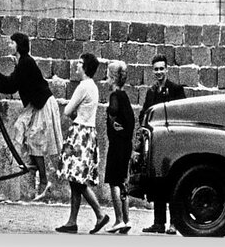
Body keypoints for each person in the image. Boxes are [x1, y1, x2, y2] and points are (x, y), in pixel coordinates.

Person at [0, 32, 63, 201]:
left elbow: (12, 83)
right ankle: (37, 172)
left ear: (18, 45)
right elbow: (13, 86)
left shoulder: (26, 62)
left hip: (42, 103)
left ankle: (43, 179)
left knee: (35, 139)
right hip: (36, 104)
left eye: (12, 43)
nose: (10, 46)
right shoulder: (21, 63)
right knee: (27, 133)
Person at [55, 52, 110, 234]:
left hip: (79, 133)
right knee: (75, 180)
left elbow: (68, 111)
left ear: (85, 67)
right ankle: (72, 221)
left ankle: (100, 214)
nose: (77, 66)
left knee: (77, 180)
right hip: (89, 134)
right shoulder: (93, 86)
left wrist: (72, 111)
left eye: (79, 63)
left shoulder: (82, 86)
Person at [140, 54, 186, 234]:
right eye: (156, 69)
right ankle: (159, 222)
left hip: (173, 144)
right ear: (153, 71)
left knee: (172, 182)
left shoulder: (175, 89)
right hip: (156, 144)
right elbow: (144, 113)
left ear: (167, 69)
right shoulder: (151, 92)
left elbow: (182, 113)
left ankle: (174, 223)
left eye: (161, 68)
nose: (159, 72)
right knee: (157, 181)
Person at [104, 60, 135, 234]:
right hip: (126, 145)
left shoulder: (115, 96)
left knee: (114, 181)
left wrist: (113, 122)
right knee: (122, 181)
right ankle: (127, 219)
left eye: (108, 76)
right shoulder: (125, 96)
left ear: (113, 78)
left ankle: (118, 219)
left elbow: (114, 114)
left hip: (117, 145)